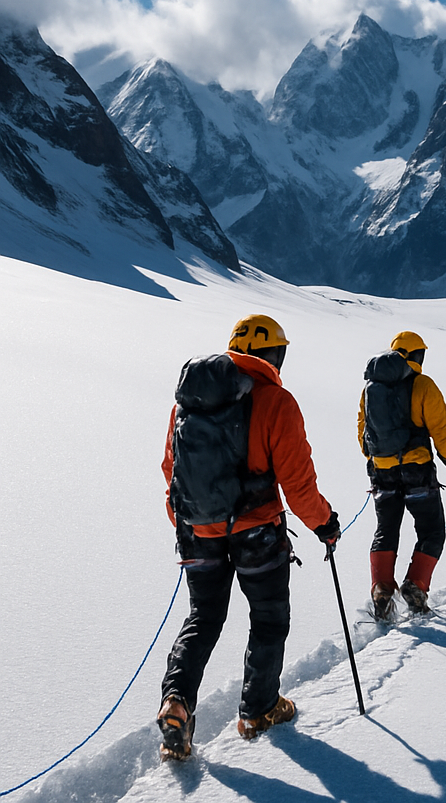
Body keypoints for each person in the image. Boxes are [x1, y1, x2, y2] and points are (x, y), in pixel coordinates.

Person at [156, 314, 340, 762]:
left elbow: (171, 472)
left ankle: (176, 702)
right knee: (269, 618)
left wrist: (193, 525)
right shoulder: (277, 401)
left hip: (199, 534)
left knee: (203, 619)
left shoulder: (189, 403)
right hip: (257, 533)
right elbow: (298, 486)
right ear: (275, 354)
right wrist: (325, 524)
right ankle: (258, 710)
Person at [359, 331, 446, 620]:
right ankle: (415, 586)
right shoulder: (423, 385)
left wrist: (377, 460)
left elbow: (363, 433)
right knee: (432, 531)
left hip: (383, 473)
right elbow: (440, 431)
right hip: (417, 471)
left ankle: (381, 588)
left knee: (386, 530)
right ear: (417, 355)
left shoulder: (371, 388)